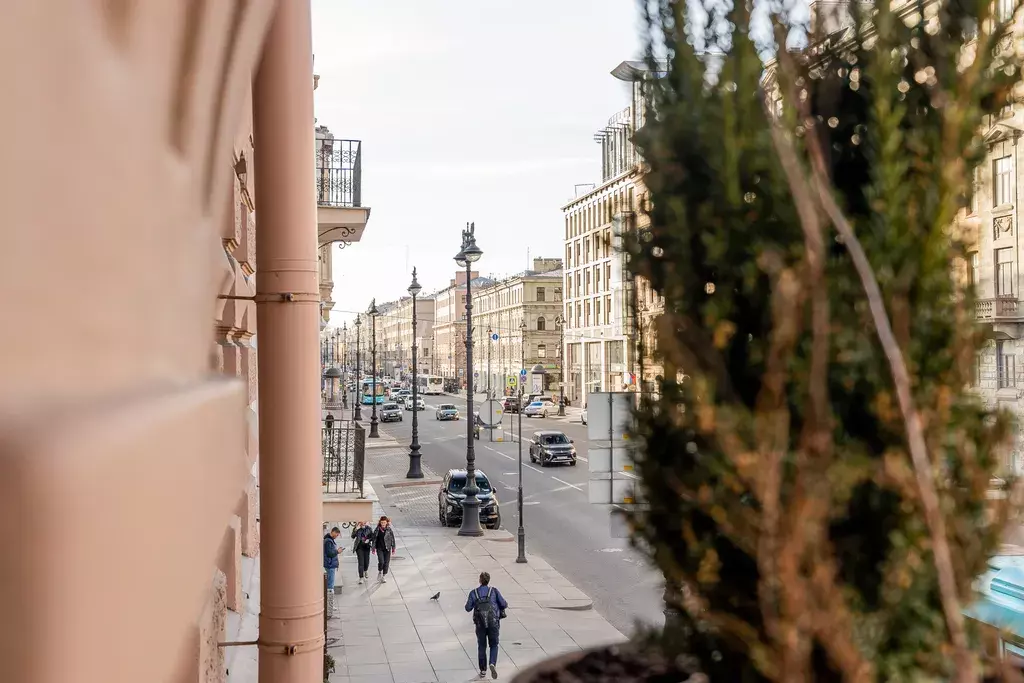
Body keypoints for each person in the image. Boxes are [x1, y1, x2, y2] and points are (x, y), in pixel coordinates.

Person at [465, 571, 508, 679]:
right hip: (493, 623)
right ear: (488, 580)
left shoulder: (474, 593)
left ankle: (483, 670)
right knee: (494, 644)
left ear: (480, 580)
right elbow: (504, 604)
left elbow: (467, 608)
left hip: (480, 625)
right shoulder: (493, 591)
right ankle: (492, 663)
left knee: (482, 646)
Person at [371, 516, 396, 583]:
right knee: (381, 561)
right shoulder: (377, 530)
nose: (383, 524)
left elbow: (392, 539)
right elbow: (374, 539)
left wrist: (393, 548)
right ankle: (380, 571)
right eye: (382, 522)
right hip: (379, 548)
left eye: (384, 522)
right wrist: (373, 548)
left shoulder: (389, 530)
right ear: (380, 522)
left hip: (387, 548)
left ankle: (383, 576)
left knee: (386, 563)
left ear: (386, 523)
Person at [323, 526, 341, 616]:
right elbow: (330, 553)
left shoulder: (328, 540)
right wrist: (337, 551)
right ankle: (329, 605)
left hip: (330, 565)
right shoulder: (328, 541)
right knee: (330, 586)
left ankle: (329, 604)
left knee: (330, 585)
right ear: (333, 532)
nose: (336, 536)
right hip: (330, 565)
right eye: (336, 534)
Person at [351, 520, 373, 584]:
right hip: (359, 547)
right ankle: (361, 577)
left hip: (366, 547)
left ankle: (365, 570)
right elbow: (352, 536)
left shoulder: (369, 528)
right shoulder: (356, 528)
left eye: (364, 521)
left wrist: (369, 540)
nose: (363, 522)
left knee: (366, 562)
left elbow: (372, 537)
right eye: (361, 521)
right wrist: (356, 529)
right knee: (361, 563)